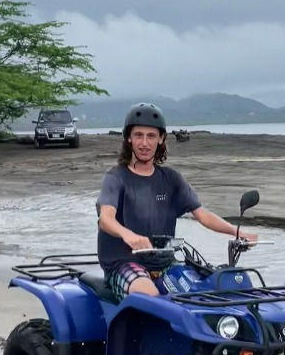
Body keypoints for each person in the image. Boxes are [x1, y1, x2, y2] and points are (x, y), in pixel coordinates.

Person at [97, 103, 258, 299]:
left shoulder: (171, 179)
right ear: (128, 138)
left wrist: (237, 232)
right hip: (122, 263)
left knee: (207, 288)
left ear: (161, 139)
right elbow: (106, 219)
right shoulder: (116, 178)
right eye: (139, 135)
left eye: (151, 136)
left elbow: (203, 215)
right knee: (149, 295)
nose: (145, 143)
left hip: (164, 263)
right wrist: (127, 234)